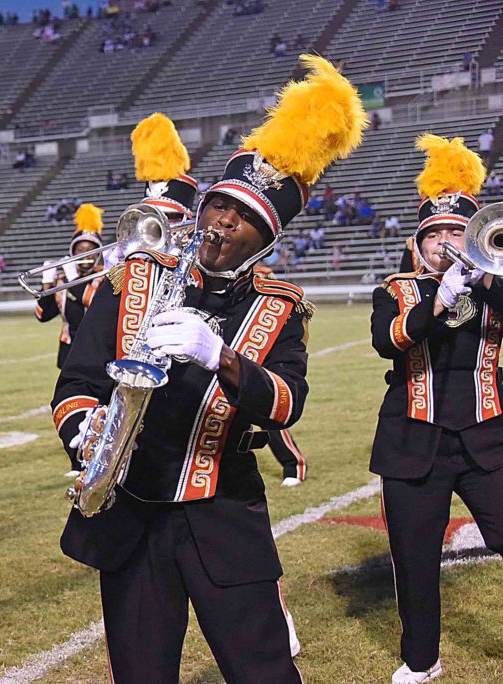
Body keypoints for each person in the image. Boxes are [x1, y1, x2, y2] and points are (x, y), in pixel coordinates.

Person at [53, 56, 364, 682]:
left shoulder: (282, 308)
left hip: (223, 513)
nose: (222, 221)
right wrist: (88, 434)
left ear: (269, 237)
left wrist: (219, 356)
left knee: (265, 672)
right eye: (219, 204)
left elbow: (285, 403)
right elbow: (75, 384)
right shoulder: (133, 276)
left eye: (244, 216)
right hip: (129, 510)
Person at [371, 133, 503, 684]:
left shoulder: (497, 283)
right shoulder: (397, 289)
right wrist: (441, 298)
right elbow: (389, 339)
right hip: (412, 442)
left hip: (488, 439)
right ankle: (422, 660)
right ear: (419, 243)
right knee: (415, 560)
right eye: (435, 234)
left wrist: (487, 279)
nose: (446, 242)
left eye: (457, 232)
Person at [35, 203, 105, 377]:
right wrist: (47, 283)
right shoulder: (64, 280)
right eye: (80, 250)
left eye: (91, 251)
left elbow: (92, 302)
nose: (86, 255)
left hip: (97, 348)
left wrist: (74, 280)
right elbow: (42, 315)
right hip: (69, 350)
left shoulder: (106, 277)